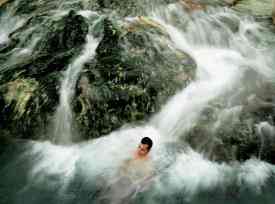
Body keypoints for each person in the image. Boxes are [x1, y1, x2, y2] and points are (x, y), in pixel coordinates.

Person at [99, 137, 154, 204]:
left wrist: (137, 184)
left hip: (131, 182)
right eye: (139, 147)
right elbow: (120, 162)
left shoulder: (147, 163)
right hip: (121, 177)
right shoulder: (132, 152)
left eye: (142, 150)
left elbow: (147, 177)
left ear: (148, 151)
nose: (139, 150)